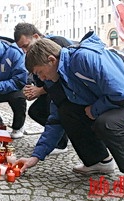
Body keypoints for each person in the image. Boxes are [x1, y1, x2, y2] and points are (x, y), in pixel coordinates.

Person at [15, 31, 124, 185]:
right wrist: (35, 157)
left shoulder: (85, 57)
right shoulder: (58, 78)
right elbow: (56, 119)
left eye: (40, 73)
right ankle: (99, 161)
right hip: (121, 98)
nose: (41, 79)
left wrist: (94, 109)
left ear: (51, 60)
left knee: (107, 123)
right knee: (67, 112)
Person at [14, 22, 77, 154]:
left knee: (55, 108)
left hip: (67, 92)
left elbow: (61, 77)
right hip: (50, 90)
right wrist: (31, 86)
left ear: (36, 36)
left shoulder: (58, 42)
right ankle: (58, 137)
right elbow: (38, 75)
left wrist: (41, 90)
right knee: (35, 111)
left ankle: (61, 142)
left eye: (26, 46)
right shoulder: (32, 54)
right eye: (22, 49)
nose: (25, 51)